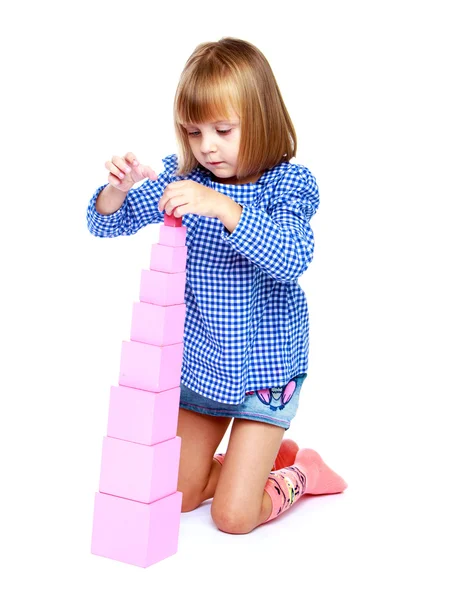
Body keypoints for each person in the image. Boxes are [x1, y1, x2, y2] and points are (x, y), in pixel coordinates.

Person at [86, 37, 347, 535]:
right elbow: (103, 225)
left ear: (262, 118)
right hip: (204, 372)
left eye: (223, 130)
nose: (207, 145)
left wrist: (226, 208)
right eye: (195, 131)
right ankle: (245, 468)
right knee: (177, 496)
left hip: (263, 378)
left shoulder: (287, 185)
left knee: (233, 517)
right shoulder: (182, 178)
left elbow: (294, 257)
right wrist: (117, 191)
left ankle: (300, 471)